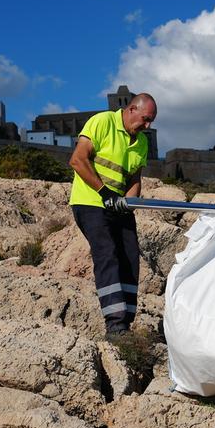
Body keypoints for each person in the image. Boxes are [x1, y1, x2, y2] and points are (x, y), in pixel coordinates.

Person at [68, 93, 157, 340]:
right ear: (131, 110)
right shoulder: (102, 122)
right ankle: (115, 326)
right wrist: (104, 192)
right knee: (107, 254)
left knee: (129, 258)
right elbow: (77, 160)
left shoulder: (141, 142)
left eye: (151, 121)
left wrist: (130, 203)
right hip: (90, 202)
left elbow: (134, 180)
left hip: (117, 205)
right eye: (145, 119)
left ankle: (125, 323)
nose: (147, 126)